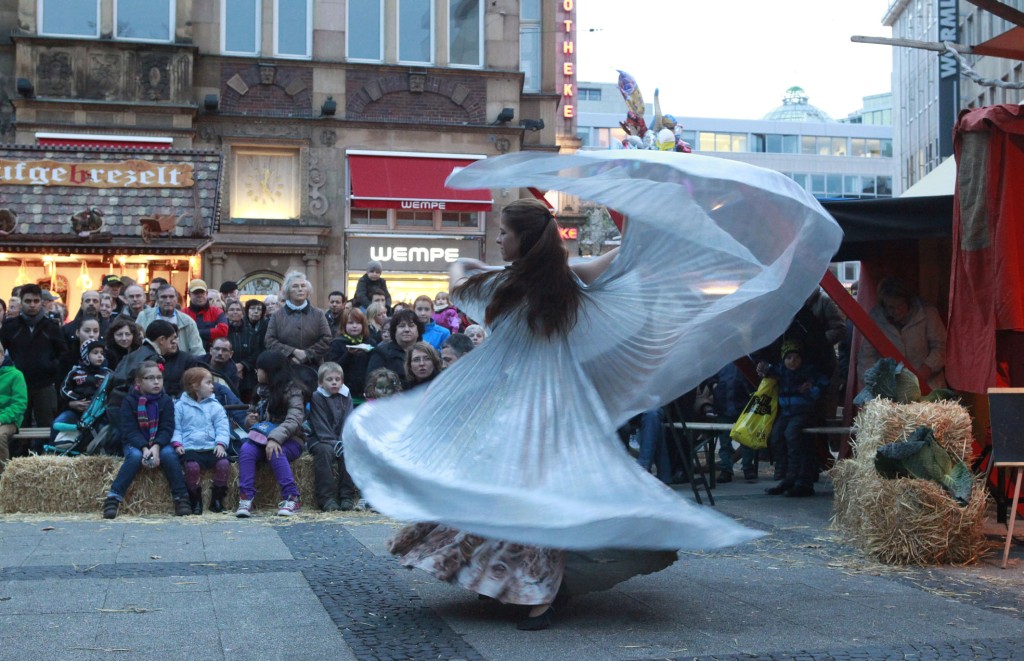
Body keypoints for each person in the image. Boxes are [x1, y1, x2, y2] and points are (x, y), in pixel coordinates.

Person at [343, 153, 839, 630]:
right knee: (528, 498)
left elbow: (457, 281)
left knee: (509, 496)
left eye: (503, 233)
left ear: (522, 240)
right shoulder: (565, 283)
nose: (498, 239)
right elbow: (614, 259)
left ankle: (539, 596)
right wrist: (657, 213)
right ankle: (513, 585)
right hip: (553, 409)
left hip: (515, 409)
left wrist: (466, 261)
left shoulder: (499, 286)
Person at [102, 361, 191, 519]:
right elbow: (129, 430)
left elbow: (167, 428)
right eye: (150, 378)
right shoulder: (129, 401)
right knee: (134, 457)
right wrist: (144, 448)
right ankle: (113, 497)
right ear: (139, 381)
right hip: (135, 442)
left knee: (169, 455)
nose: (156, 382)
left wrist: (156, 446)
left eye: (159, 378)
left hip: (159, 441)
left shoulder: (166, 401)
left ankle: (181, 497)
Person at [236, 350, 307, 518]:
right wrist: (250, 420)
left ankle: (291, 497)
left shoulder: (293, 391)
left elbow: (294, 419)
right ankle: (246, 498)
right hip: (262, 438)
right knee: (246, 450)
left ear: (270, 371)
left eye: (259, 368)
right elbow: (251, 413)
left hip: (290, 439)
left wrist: (275, 438)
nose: (256, 371)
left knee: (275, 452)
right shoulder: (260, 391)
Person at [759, 341, 829, 498]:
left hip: (803, 412)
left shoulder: (808, 372)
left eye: (796, 358)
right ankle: (787, 476)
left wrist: (811, 391)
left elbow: (823, 382)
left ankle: (799, 479)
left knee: (793, 436)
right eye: (789, 358)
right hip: (786, 413)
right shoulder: (781, 371)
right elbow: (769, 369)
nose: (793, 361)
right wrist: (763, 366)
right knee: (776, 436)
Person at [857, 276, 948, 391]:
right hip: (893, 388)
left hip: (929, 384)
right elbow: (867, 357)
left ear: (908, 301)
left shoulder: (927, 313)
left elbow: (941, 346)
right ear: (883, 305)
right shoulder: (876, 318)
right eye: (891, 307)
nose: (896, 311)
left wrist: (926, 369)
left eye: (900, 305)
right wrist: (875, 385)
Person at [0, 284, 67, 433]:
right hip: (17, 384)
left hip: (45, 384)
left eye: (36, 301)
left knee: (47, 427)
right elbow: (1, 351)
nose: (32, 305)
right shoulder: (10, 326)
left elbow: (63, 353)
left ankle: (46, 450)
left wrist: (51, 367)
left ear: (41, 302)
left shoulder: (51, 326)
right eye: (28, 301)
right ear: (21, 302)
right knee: (17, 428)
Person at [173, 367, 231, 515]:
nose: (212, 386)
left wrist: (221, 444)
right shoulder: (179, 406)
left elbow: (222, 427)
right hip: (191, 447)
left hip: (211, 446)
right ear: (195, 386)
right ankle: (195, 500)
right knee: (192, 468)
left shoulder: (215, 406)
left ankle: (217, 499)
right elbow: (176, 428)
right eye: (208, 382)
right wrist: (177, 443)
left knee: (224, 464)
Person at [306, 362, 356, 512]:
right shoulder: (317, 397)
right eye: (329, 379)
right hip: (320, 438)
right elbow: (320, 423)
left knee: (348, 452)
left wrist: (343, 441)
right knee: (324, 452)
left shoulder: (346, 395)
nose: (334, 382)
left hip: (341, 438)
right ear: (320, 383)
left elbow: (348, 420)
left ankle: (347, 496)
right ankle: (326, 498)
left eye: (337, 379)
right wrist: (334, 443)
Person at [265, 271, 331, 367]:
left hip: (312, 367)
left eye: (303, 286)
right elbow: (269, 341)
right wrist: (292, 352)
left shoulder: (318, 314)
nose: (300, 289)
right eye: (295, 286)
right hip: (284, 367)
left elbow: (326, 339)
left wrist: (307, 354)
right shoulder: (277, 316)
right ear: (287, 291)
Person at [53, 338, 111, 443]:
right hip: (76, 412)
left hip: (99, 414)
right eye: (95, 353)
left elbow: (112, 393)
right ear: (85, 355)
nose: (100, 356)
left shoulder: (108, 374)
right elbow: (64, 390)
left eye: (102, 353)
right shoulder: (75, 372)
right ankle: (52, 448)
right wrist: (77, 399)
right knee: (59, 422)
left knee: (106, 431)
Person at [713, 362, 758, 483]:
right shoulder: (719, 362)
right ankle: (726, 469)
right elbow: (711, 379)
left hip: (744, 405)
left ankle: (747, 467)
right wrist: (713, 386)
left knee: (746, 438)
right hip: (722, 405)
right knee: (724, 441)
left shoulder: (746, 360)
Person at [136, 285, 206, 356]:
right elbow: (136, 343)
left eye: (171, 297)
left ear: (177, 299)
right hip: (150, 360)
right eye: (163, 297)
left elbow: (197, 350)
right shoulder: (144, 316)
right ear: (157, 299)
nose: (168, 301)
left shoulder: (187, 321)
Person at [324, 308, 376, 401]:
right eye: (350, 323)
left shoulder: (370, 342)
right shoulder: (337, 343)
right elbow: (333, 368)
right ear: (344, 325)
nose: (354, 326)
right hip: (343, 390)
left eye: (358, 323)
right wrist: (348, 354)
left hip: (365, 390)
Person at [229, 299, 267, 402]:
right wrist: (234, 367)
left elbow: (257, 352)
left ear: (242, 313)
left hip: (248, 376)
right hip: (227, 373)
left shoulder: (250, 332)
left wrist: (242, 365)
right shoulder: (223, 330)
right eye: (232, 309)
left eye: (238, 310)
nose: (235, 312)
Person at [0, 341, 28, 478]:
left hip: (9, 420)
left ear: (1, 355)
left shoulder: (16, 375)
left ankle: (3, 477)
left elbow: (19, 404)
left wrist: (1, 419)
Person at [366, 309, 421, 376]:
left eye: (411, 326)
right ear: (394, 331)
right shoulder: (381, 352)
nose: (407, 330)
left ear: (418, 330)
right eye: (401, 326)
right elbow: (373, 378)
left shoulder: (425, 351)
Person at [182, 279, 228, 352]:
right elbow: (181, 335)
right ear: (189, 294)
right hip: (189, 355)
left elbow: (223, 331)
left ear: (206, 293)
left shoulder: (217, 312)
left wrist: (193, 332)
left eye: (202, 292)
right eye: (196, 292)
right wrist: (212, 332)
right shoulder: (182, 313)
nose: (199, 295)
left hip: (212, 355)